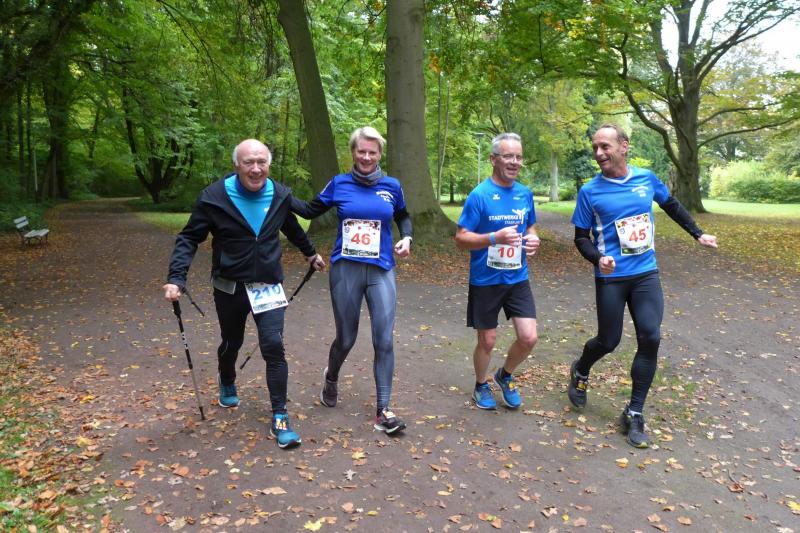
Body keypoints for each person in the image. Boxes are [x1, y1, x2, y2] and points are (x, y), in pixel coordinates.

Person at [163, 139, 325, 450]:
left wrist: (310, 253)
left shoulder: (279, 194)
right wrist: (176, 278)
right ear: (237, 165)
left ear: (269, 165)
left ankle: (280, 416)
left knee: (273, 346)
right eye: (249, 162)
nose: (256, 168)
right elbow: (189, 237)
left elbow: (290, 226)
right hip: (230, 285)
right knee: (232, 341)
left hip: (267, 284)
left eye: (261, 162)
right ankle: (227, 379)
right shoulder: (214, 197)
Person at [568, 123, 718, 448]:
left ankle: (634, 412)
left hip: (645, 274)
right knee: (608, 341)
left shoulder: (646, 179)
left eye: (605, 146)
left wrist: (698, 233)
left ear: (624, 146)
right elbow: (581, 238)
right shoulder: (590, 191)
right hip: (611, 277)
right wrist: (598, 259)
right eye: (595, 148)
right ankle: (580, 369)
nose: (598, 153)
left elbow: (671, 205)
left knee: (651, 337)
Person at [290, 126, 412, 435]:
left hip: (381, 269)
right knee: (346, 338)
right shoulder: (339, 183)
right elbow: (308, 210)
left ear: (380, 154)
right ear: (353, 153)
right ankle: (331, 377)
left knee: (384, 339)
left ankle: (383, 409)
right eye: (362, 151)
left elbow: (403, 216)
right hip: (346, 270)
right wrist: (275, 191)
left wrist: (407, 237)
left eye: (373, 152)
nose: (367, 157)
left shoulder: (392, 186)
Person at [455, 132, 540, 411]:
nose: (514, 162)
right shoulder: (479, 196)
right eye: (508, 156)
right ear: (493, 159)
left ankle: (504, 375)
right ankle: (481, 384)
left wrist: (533, 238)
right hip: (486, 279)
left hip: (517, 277)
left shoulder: (525, 194)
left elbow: (530, 226)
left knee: (529, 337)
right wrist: (494, 238)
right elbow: (461, 238)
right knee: (488, 340)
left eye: (518, 157)